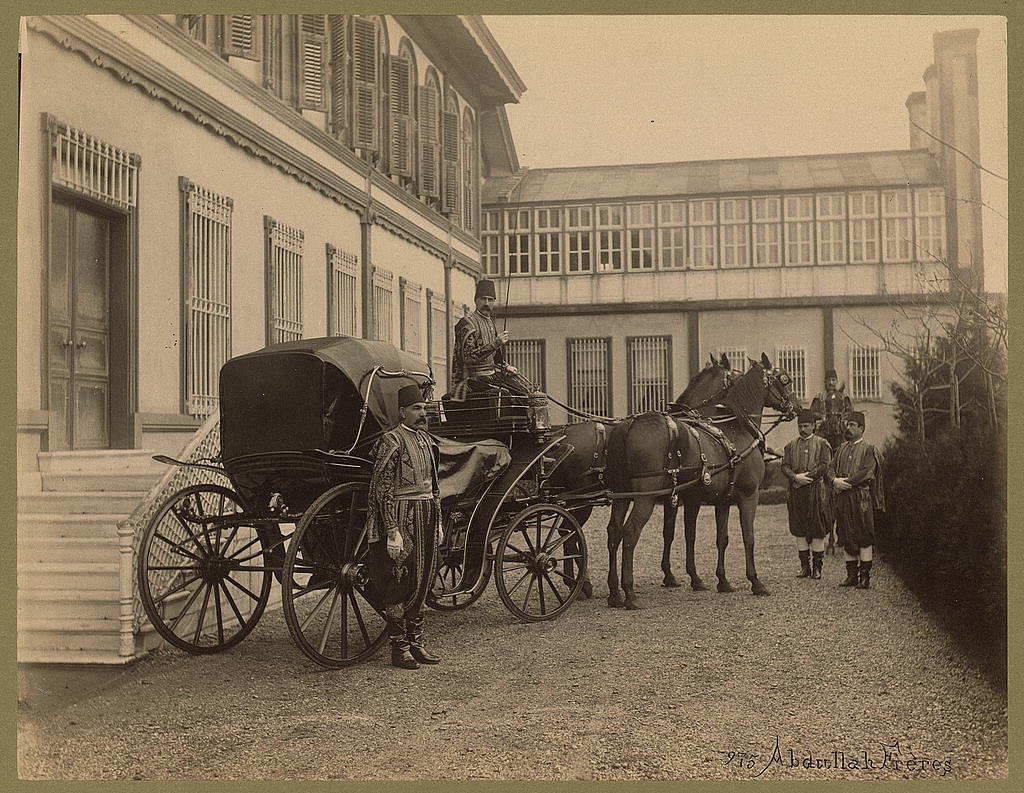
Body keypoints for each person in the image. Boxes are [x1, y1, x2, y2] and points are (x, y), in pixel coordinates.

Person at [365, 382, 443, 669]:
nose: (422, 413)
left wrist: (439, 523)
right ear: (402, 412)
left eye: (424, 408)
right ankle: (399, 648)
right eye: (416, 409)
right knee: (399, 581)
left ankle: (416, 643)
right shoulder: (392, 441)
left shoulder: (425, 440)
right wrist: (391, 530)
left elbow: (435, 486)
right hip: (402, 514)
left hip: (426, 513)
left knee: (422, 581)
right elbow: (381, 489)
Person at [449, 278, 540, 401]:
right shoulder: (467, 323)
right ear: (476, 300)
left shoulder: (490, 322)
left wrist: (506, 366)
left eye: (490, 299)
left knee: (528, 389)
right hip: (471, 380)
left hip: (491, 375)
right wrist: (495, 343)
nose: (486, 303)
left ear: (494, 302)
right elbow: (468, 358)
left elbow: (495, 357)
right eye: (483, 299)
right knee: (514, 395)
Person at [828, 411, 885, 590]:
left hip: (861, 498)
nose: (848, 428)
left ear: (862, 428)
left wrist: (846, 482)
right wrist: (833, 480)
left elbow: (867, 472)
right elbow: (829, 468)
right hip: (843, 498)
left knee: (863, 534)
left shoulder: (869, 449)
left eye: (853, 425)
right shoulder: (841, 449)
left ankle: (865, 577)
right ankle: (851, 575)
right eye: (847, 424)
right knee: (845, 533)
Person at [780, 409, 833, 579]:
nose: (802, 429)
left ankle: (817, 568)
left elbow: (825, 465)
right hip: (796, 492)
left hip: (816, 491)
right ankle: (805, 567)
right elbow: (784, 466)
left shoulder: (823, 444)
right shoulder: (790, 445)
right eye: (800, 426)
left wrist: (807, 477)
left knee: (817, 529)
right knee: (799, 529)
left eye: (806, 426)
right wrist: (795, 477)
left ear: (813, 426)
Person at [810, 368, 853, 449]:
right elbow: (812, 412)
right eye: (828, 380)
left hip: (840, 428)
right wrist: (821, 416)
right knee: (817, 446)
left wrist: (843, 417)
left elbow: (850, 411)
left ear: (836, 381)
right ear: (825, 382)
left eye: (833, 380)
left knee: (846, 445)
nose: (831, 383)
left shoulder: (843, 396)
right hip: (823, 428)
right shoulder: (819, 397)